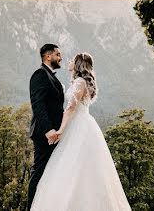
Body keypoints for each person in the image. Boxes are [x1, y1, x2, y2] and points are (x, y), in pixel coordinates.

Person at [29, 52, 132, 211]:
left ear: (78, 64)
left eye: (72, 60)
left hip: (76, 126)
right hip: (85, 125)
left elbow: (70, 108)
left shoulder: (79, 82)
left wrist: (60, 131)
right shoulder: (83, 82)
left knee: (70, 167)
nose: (68, 61)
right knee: (84, 168)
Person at [27, 43, 64, 208]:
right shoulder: (40, 74)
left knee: (52, 173)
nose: (60, 57)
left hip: (55, 134)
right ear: (48, 56)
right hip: (45, 134)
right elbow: (38, 104)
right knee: (39, 173)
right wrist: (49, 130)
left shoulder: (51, 76)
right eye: (58, 54)